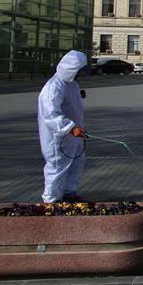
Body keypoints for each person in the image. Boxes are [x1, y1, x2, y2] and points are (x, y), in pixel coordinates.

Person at [38, 50, 89, 203]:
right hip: (58, 136)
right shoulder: (53, 87)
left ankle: (69, 193)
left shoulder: (71, 83)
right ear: (71, 69)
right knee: (57, 167)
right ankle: (51, 200)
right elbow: (50, 115)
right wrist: (70, 128)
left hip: (74, 134)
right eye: (79, 70)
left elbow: (71, 103)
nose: (81, 74)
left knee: (76, 163)